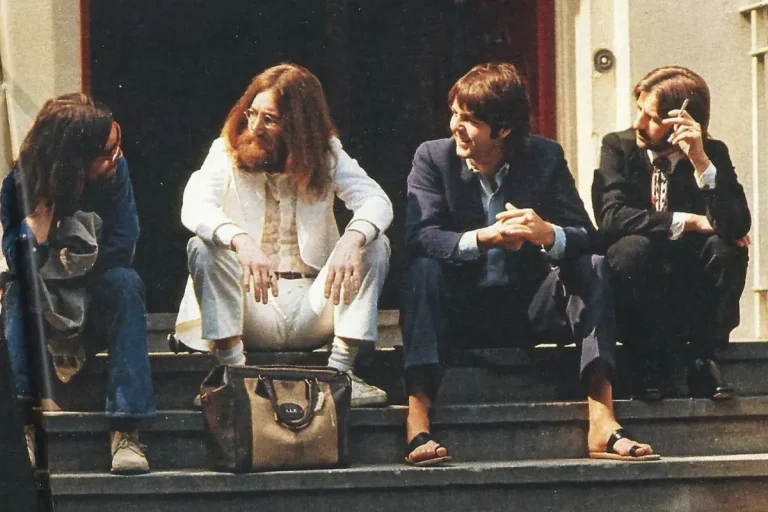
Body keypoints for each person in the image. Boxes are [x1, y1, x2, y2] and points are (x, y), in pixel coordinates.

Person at [400, 62, 657, 466]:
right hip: (460, 309)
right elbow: (420, 235)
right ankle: (417, 418)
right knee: (423, 269)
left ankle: (602, 418)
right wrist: (484, 238)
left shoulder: (544, 156)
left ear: (503, 129)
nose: (455, 127)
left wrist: (547, 233)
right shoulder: (433, 158)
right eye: (454, 114)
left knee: (590, 264)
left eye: (469, 120)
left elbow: (586, 234)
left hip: (529, 306)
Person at [176, 63, 392, 407]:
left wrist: (353, 239)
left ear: (299, 124)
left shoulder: (326, 153)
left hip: (314, 306)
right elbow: (195, 205)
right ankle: (236, 377)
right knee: (203, 247)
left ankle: (340, 373)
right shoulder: (225, 150)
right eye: (252, 114)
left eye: (270, 119)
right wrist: (240, 240)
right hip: (251, 309)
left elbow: (376, 200)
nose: (254, 127)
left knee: (374, 242)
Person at [1, 93, 155, 474]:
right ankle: (22, 427)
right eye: (107, 151)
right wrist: (35, 231)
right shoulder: (19, 185)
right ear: (74, 158)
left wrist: (68, 276)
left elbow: (123, 244)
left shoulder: (115, 174)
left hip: (91, 297)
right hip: (43, 308)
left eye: (117, 143)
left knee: (125, 283)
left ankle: (126, 429)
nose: (117, 156)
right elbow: (18, 267)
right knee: (19, 292)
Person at [591, 66, 750, 401]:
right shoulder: (618, 147)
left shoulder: (712, 153)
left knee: (727, 248)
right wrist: (689, 221)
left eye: (651, 117)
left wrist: (700, 162)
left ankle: (703, 358)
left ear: (682, 121)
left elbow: (736, 227)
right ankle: (647, 360)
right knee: (632, 249)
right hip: (638, 282)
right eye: (639, 110)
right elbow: (611, 217)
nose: (638, 123)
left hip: (687, 284)